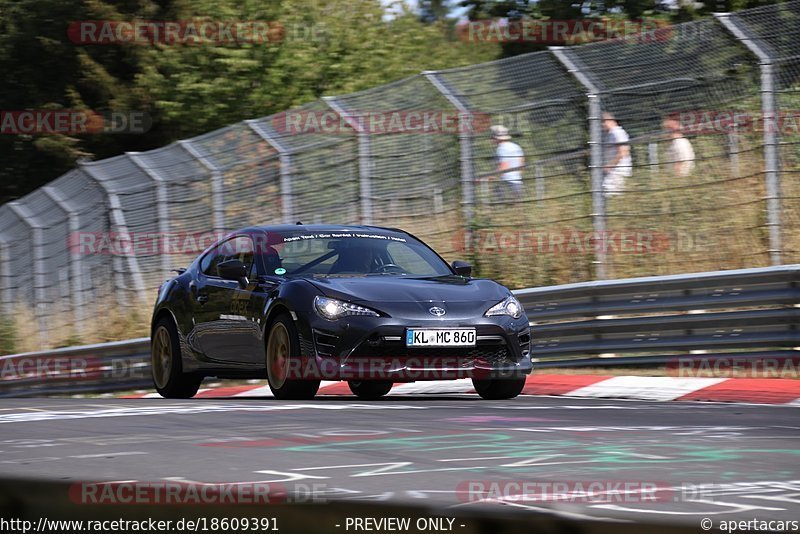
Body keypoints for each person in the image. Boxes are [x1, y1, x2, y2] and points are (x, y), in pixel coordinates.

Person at [490, 125, 525, 200]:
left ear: (496, 138)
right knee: (517, 208)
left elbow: (504, 166)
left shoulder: (501, 149)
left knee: (499, 205)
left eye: (491, 137)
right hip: (517, 182)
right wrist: (516, 175)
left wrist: (493, 176)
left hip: (506, 184)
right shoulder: (516, 146)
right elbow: (522, 163)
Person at [601, 112, 632, 196]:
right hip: (612, 172)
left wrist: (610, 166)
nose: (601, 125)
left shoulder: (618, 133)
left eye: (602, 122)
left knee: (613, 197)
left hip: (617, 172)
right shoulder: (610, 134)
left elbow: (623, 152)